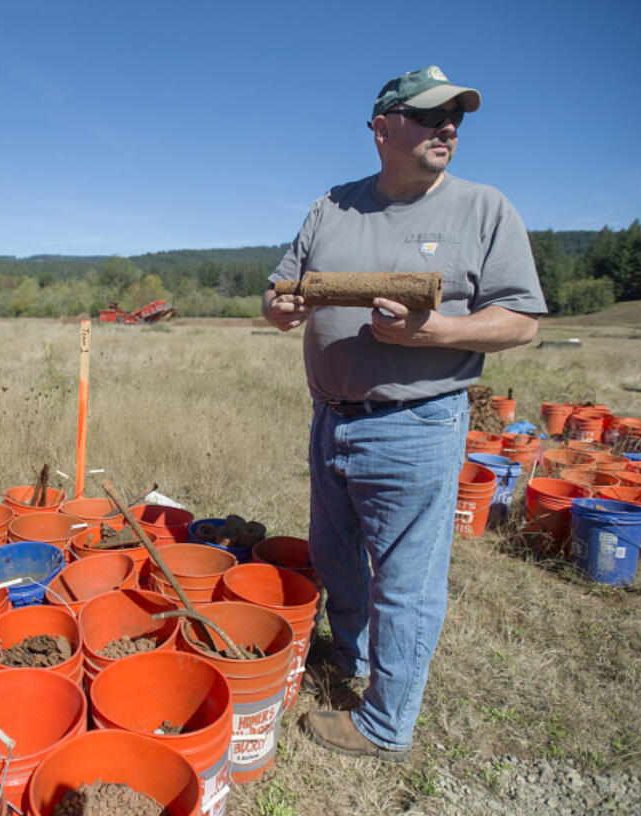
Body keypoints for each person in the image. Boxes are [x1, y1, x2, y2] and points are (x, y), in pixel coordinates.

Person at [262, 65, 547, 761]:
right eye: (428, 115)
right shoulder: (334, 206)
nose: (447, 126)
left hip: (414, 425)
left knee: (406, 582)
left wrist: (440, 334)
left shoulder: (483, 209)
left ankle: (386, 723)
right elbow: (277, 294)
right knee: (335, 558)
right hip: (330, 417)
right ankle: (352, 659)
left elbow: (523, 321)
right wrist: (282, 307)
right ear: (382, 127)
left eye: (456, 116)